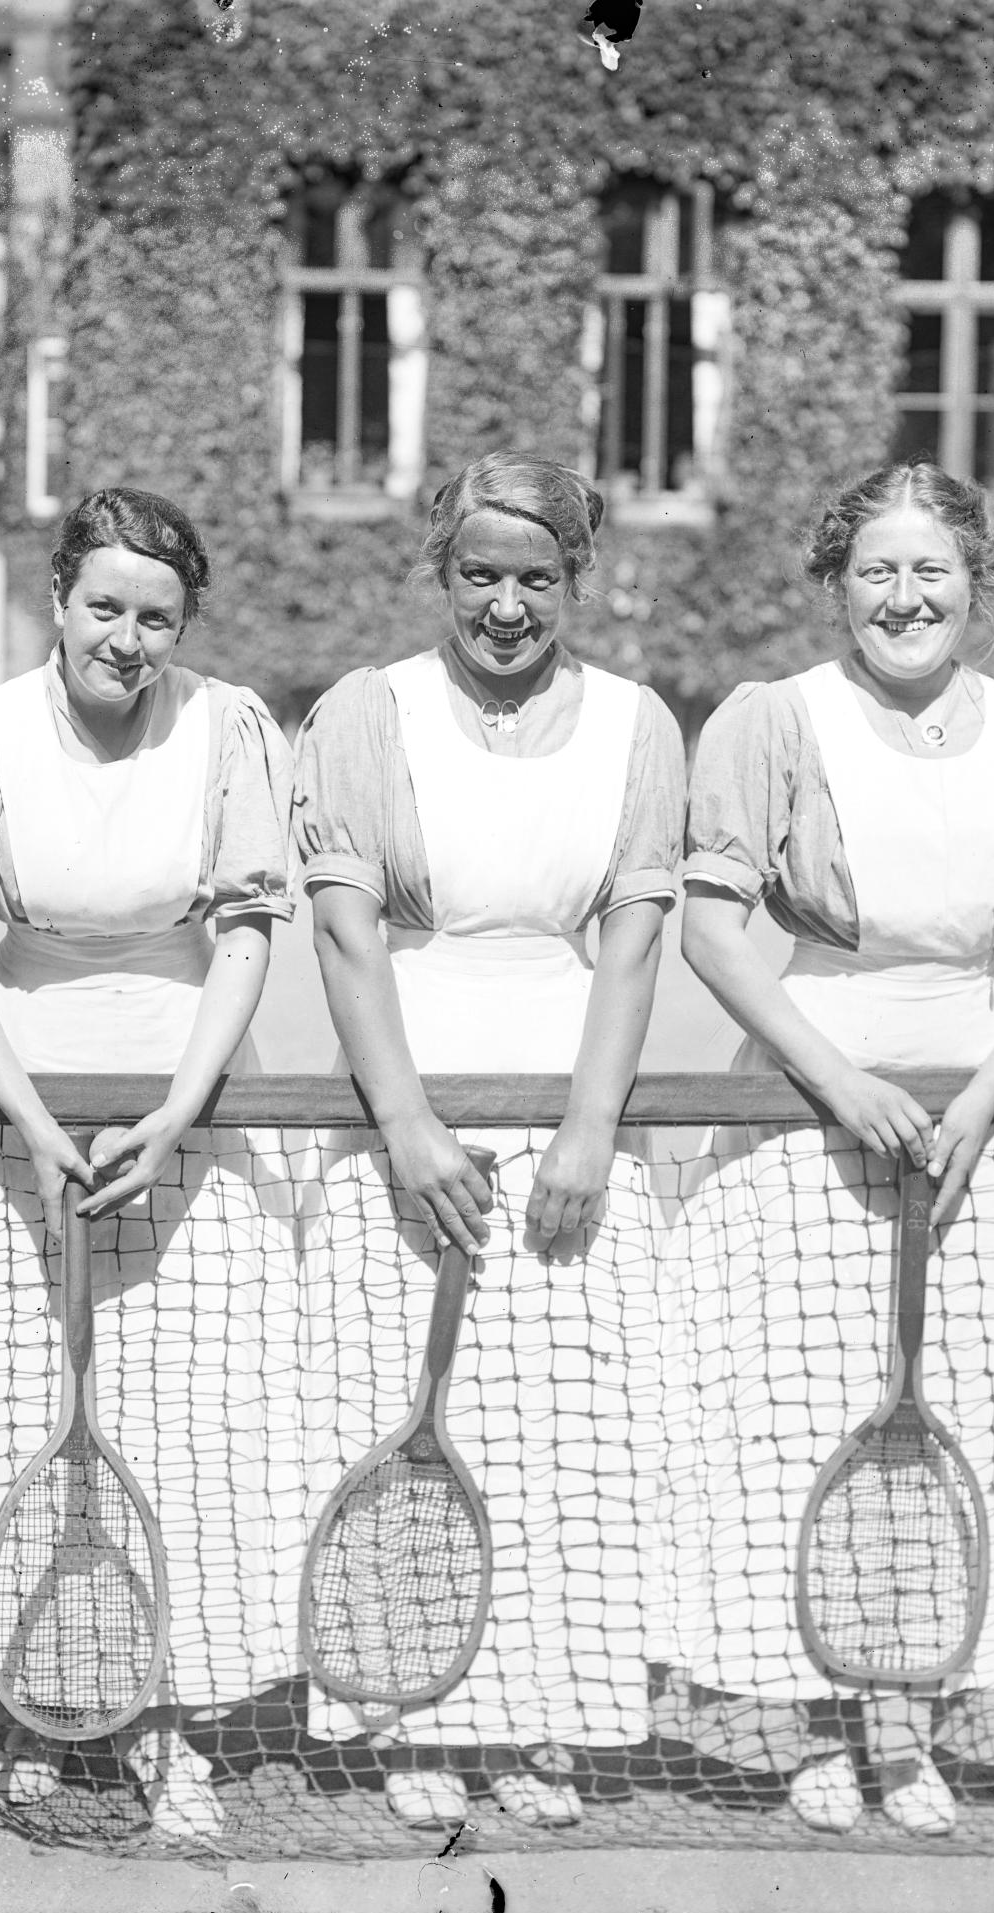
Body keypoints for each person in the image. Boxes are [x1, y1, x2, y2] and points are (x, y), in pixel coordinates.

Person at [662, 461, 994, 1835]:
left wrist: (981, 1099)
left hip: (981, 1132)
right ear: (837, 586)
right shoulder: (771, 722)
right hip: (798, 1117)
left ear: (975, 582)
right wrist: (839, 1082)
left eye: (930, 572)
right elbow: (713, 931)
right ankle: (818, 1722)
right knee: (794, 1424)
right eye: (876, 574)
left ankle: (911, 1720)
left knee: (968, 1421)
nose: (905, 599)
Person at [0, 486, 298, 1842]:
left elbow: (244, 934)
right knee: (18, 1416)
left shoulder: (229, 728)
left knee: (181, 1421)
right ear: (57, 601)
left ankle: (169, 1723)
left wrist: (179, 1109)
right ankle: (36, 1713)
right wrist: (34, 1126)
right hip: (20, 1112)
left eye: (157, 616)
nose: (128, 638)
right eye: (103, 606)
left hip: (184, 1110)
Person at [287, 451, 685, 1832]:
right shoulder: (364, 713)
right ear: (438, 574)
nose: (506, 606)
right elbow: (345, 934)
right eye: (480, 575)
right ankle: (407, 1713)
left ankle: (544, 1718)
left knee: (562, 1437)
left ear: (578, 578)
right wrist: (402, 1124)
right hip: (402, 1129)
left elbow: (633, 947)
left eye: (537, 577)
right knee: (396, 1422)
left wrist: (588, 1130)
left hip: (571, 1141)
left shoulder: (639, 721)